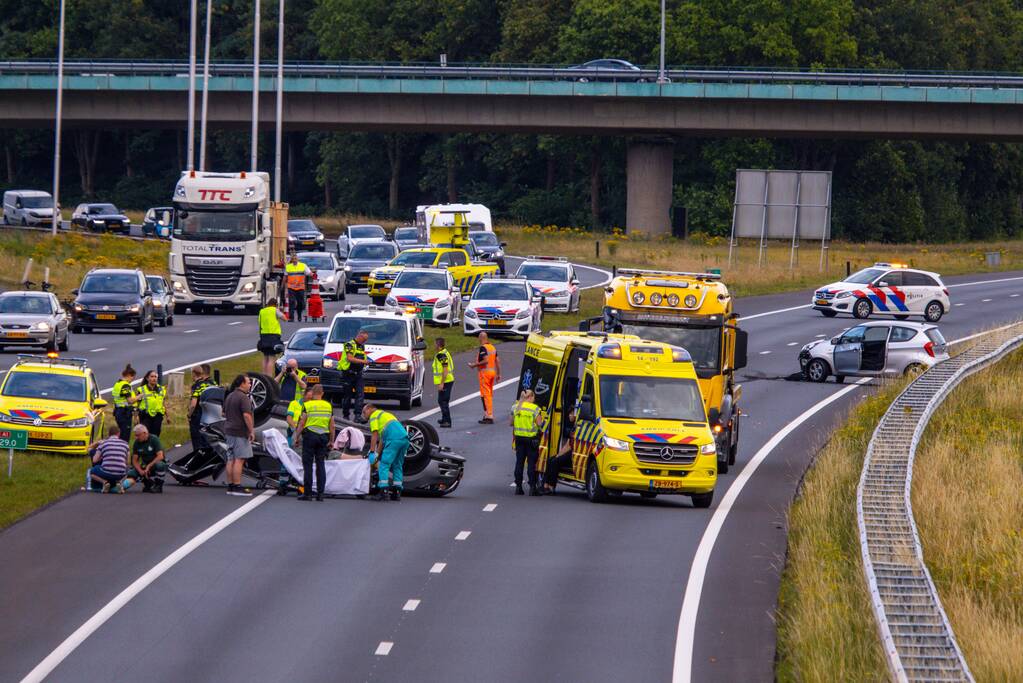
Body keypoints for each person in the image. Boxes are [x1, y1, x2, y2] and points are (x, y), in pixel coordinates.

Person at [294, 384, 335, 502]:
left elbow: (302, 423)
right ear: (322, 393)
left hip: (310, 436)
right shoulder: (328, 406)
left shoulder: (307, 405)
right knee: (320, 464)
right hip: (323, 436)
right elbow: (332, 425)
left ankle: (307, 494)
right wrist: (332, 440)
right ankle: (320, 494)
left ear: (312, 394)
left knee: (308, 465)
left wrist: (296, 437)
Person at [363, 402, 409, 501]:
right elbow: (382, 441)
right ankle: (397, 492)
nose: (364, 416)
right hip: (404, 439)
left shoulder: (374, 416)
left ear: (369, 409)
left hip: (393, 440)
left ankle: (383, 491)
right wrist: (377, 455)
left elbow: (374, 434)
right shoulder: (386, 415)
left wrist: (371, 452)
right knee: (397, 465)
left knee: (384, 465)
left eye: (364, 413)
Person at [222, 374, 255, 497]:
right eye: (248, 382)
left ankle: (230, 485)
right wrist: (251, 431)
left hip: (229, 430)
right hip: (240, 432)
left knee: (230, 459)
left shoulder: (230, 396)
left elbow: (223, 412)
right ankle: (237, 486)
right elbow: (247, 415)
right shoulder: (243, 398)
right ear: (242, 384)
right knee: (239, 459)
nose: (250, 385)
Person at [510, 389, 543, 496]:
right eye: (534, 397)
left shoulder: (515, 407)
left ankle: (518, 487)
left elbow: (511, 423)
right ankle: (533, 487)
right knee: (531, 464)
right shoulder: (535, 408)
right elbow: (539, 424)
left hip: (519, 439)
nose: (534, 400)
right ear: (530, 397)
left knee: (519, 462)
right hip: (531, 439)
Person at [542, 408, 577, 495]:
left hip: (574, 453)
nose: (569, 415)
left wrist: (559, 455)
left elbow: (569, 446)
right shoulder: (574, 426)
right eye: (569, 414)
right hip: (570, 451)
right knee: (550, 460)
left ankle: (551, 487)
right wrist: (558, 454)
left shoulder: (576, 427)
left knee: (555, 462)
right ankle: (545, 485)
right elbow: (567, 444)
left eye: (571, 414)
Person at [468, 332, 501, 424]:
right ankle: (486, 414)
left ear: (481, 338)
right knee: (487, 394)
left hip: (484, 374)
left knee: (486, 395)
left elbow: (485, 360)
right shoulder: (492, 347)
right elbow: (498, 361)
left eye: (479, 338)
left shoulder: (483, 348)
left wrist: (474, 365)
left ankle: (489, 415)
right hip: (492, 373)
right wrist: (498, 374)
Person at [87, 423, 130, 493]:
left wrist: (101, 456)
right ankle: (120, 482)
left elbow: (94, 460)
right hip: (121, 474)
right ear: (118, 433)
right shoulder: (125, 444)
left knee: (92, 471)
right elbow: (127, 462)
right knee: (128, 468)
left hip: (106, 473)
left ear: (109, 434)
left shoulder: (103, 443)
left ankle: (105, 482)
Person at [338, 329, 370, 421]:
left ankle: (358, 416)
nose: (364, 341)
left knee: (360, 395)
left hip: (358, 374)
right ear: (359, 336)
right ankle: (346, 415)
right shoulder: (349, 345)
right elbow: (349, 358)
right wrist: (363, 361)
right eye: (364, 339)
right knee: (347, 395)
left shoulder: (361, 346)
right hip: (348, 373)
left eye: (366, 340)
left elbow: (362, 357)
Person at [125, 424, 166, 494]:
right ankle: (148, 484)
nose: (136, 437)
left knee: (160, 465)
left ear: (144, 433)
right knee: (131, 473)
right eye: (135, 435)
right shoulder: (137, 443)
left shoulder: (154, 439)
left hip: (154, 464)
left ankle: (158, 486)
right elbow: (134, 460)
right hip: (144, 465)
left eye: (138, 435)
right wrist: (140, 470)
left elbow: (160, 456)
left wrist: (149, 466)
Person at [187, 364, 215, 455]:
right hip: (210, 414)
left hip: (198, 415)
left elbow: (193, 404)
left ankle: (198, 457)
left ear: (193, 374)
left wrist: (189, 414)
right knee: (207, 437)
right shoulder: (211, 383)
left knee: (197, 439)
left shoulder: (197, 386)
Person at [258, 298, 287, 377]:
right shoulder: (275, 310)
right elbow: (284, 318)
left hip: (264, 335)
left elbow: (260, 323)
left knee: (265, 356)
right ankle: (269, 376)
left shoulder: (262, 311)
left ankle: (264, 375)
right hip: (273, 336)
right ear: (275, 305)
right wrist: (280, 311)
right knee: (271, 357)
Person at [136, 370, 168, 437]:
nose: (154, 378)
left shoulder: (161, 389)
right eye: (152, 376)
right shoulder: (141, 390)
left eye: (155, 377)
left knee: (155, 436)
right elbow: (137, 405)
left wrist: (167, 416)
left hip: (158, 416)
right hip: (145, 416)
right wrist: (136, 417)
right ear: (147, 378)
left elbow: (163, 403)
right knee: (145, 435)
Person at [111, 364, 138, 442]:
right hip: (124, 413)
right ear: (129, 375)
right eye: (133, 378)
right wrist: (139, 397)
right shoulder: (125, 385)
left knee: (121, 434)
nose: (132, 380)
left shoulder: (117, 384)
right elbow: (130, 401)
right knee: (125, 436)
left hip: (118, 411)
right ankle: (123, 451)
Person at [432, 337, 454, 428]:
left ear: (438, 345)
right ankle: (444, 418)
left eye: (435, 344)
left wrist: (441, 383)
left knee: (443, 401)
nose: (434, 346)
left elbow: (445, 370)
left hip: (446, 381)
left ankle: (447, 421)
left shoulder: (441, 355)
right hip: (448, 380)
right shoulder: (445, 352)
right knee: (442, 400)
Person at [285, 253, 310, 322]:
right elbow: (285, 277)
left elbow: (308, 273)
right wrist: (283, 287)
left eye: (295, 258)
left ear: (298, 259)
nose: (294, 260)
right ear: (291, 260)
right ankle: (291, 317)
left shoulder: (303, 266)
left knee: (300, 303)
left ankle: (299, 315)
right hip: (291, 287)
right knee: (291, 302)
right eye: (293, 259)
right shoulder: (288, 267)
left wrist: (313, 275)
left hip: (300, 287)